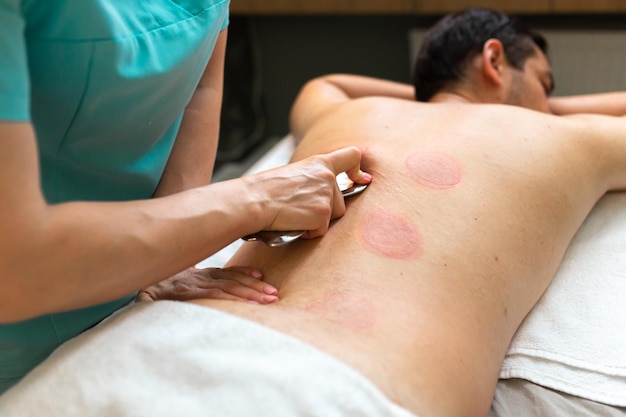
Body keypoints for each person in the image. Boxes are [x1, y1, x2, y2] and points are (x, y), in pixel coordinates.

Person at [1, 7, 625, 417]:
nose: (553, 103)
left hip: (143, 354)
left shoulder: (331, 110)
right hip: (344, 390)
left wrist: (506, 98)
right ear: (494, 60)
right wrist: (544, 114)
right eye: (546, 83)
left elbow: (332, 79)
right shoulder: (572, 141)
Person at [0, 0, 370, 394]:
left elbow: (200, 91)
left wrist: (166, 261)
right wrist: (258, 199)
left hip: (139, 283)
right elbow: (15, 267)